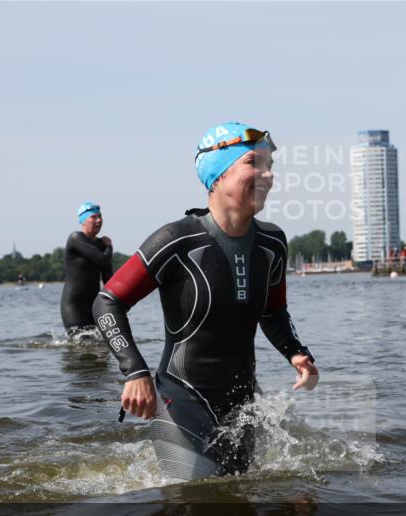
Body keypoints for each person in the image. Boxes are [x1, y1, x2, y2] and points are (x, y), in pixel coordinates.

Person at [93, 122, 319, 481]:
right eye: (253, 163)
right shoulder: (176, 240)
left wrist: (295, 352)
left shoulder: (272, 243)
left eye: (270, 167)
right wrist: (134, 371)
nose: (267, 175)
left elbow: (273, 310)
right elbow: (108, 301)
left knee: (238, 505)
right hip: (183, 401)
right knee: (194, 510)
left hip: (243, 403)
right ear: (218, 174)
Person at [61, 201, 113, 334]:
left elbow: (108, 277)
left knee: (99, 348)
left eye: (100, 217)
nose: (99, 220)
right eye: (94, 217)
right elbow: (102, 260)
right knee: (80, 345)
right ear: (83, 220)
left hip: (94, 306)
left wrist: (116, 300)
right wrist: (109, 247)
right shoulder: (75, 238)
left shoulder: (101, 245)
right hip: (74, 306)